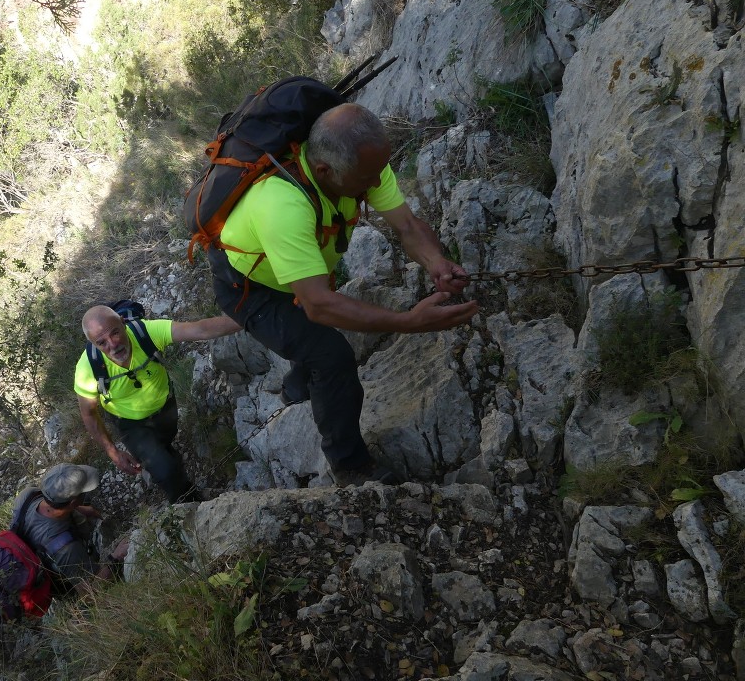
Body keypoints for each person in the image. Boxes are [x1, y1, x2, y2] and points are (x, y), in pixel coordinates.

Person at [207, 102, 479, 486]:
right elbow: (318, 305)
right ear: (324, 171)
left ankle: (296, 388)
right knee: (330, 354)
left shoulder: (363, 166)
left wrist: (436, 262)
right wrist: (409, 322)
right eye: (367, 179)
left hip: (290, 272)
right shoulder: (281, 205)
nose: (374, 185)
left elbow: (406, 225)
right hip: (248, 288)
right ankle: (350, 465)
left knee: (308, 346)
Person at [74, 305, 241, 503]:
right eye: (101, 342)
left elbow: (200, 329)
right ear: (92, 343)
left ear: (123, 322)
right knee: (166, 471)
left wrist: (248, 320)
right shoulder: (88, 370)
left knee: (166, 444)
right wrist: (113, 452)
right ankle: (187, 502)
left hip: (165, 407)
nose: (113, 345)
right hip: (130, 424)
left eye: (115, 333)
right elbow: (89, 414)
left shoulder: (146, 333)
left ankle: (168, 460)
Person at [13, 463, 127, 597]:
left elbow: (53, 507)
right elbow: (90, 592)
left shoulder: (28, 495)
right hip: (61, 573)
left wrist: (80, 509)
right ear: (73, 502)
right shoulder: (66, 548)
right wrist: (116, 557)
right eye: (82, 493)